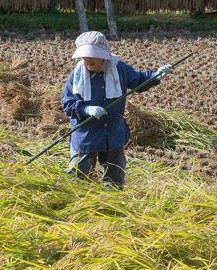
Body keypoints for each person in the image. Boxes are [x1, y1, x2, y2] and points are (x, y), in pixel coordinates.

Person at [60, 31, 171, 188]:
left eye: (91, 55)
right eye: (84, 56)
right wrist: (86, 109)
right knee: (79, 180)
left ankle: (113, 208)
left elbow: (138, 80)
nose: (87, 60)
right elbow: (68, 104)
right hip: (86, 137)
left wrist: (156, 76)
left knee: (115, 180)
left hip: (113, 135)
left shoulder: (119, 69)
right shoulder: (77, 75)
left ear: (104, 56)